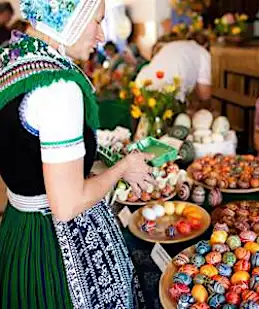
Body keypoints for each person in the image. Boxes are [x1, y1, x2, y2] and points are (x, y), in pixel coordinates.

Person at [0, 0, 152, 307]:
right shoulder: (59, 89)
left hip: (18, 227)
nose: (100, 36)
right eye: (96, 21)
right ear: (68, 17)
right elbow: (67, 205)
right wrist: (123, 168)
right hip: (54, 246)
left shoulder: (11, 60)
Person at [135, 32, 211, 103]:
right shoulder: (203, 53)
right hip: (167, 94)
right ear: (206, 46)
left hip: (141, 85)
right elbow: (204, 95)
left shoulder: (173, 45)